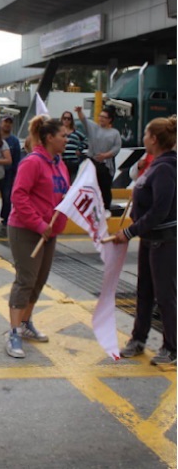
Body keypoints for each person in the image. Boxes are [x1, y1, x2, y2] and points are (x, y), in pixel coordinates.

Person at [2, 116, 71, 359]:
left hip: (48, 232)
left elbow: (62, 196)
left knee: (39, 280)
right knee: (25, 280)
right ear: (49, 137)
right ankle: (13, 333)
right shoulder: (32, 162)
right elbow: (18, 196)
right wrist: (38, 223)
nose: (66, 139)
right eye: (63, 135)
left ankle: (26, 322)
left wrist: (56, 224)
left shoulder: (59, 164)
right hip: (25, 229)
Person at [114, 116, 176, 366]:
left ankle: (172, 348)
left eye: (146, 134)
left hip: (164, 240)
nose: (143, 138)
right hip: (150, 240)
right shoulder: (154, 165)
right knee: (144, 293)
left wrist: (130, 231)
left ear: (154, 138)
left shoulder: (166, 168)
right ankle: (138, 339)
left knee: (164, 296)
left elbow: (161, 209)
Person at [77, 105, 122, 212]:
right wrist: (79, 111)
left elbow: (117, 147)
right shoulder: (93, 127)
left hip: (106, 165)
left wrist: (106, 155)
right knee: (91, 187)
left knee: (105, 188)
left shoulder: (115, 133)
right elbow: (84, 120)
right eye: (100, 116)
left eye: (104, 117)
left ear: (110, 119)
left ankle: (105, 208)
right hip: (92, 162)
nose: (101, 119)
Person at [0, 116, 22, 235]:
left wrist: (15, 175)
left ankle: (5, 218)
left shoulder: (14, 141)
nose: (7, 125)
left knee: (7, 197)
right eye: (5, 122)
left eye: (10, 123)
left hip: (8, 173)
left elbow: (17, 159)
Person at [60, 111, 87, 181]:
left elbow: (87, 140)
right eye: (64, 118)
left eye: (68, 119)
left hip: (74, 162)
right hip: (62, 162)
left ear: (71, 120)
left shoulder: (76, 133)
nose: (66, 120)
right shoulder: (58, 133)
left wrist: (80, 148)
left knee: (73, 183)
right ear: (62, 119)